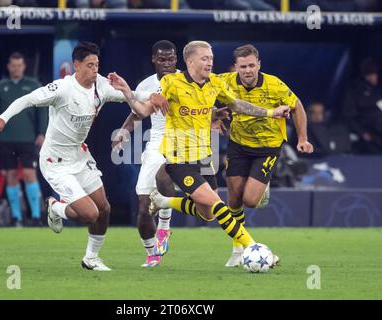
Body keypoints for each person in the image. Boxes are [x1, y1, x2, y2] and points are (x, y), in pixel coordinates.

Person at [0, 42, 168, 271]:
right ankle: (55, 208)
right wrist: (3, 118)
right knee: (90, 213)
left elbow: (131, 95)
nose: (94, 70)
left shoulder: (101, 85)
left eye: (97, 65)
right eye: (90, 65)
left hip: (79, 155)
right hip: (55, 161)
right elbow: (28, 99)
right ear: (77, 65)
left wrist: (152, 95)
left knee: (105, 209)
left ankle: (91, 258)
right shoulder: (62, 88)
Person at [108, 41, 290, 264]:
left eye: (211, 58)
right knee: (219, 205)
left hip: (204, 158)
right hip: (179, 161)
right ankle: (254, 248)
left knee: (208, 214)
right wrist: (128, 92)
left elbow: (237, 105)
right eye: (205, 58)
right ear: (190, 61)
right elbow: (143, 111)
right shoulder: (171, 83)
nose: (210, 62)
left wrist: (272, 113)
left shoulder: (214, 83)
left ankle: (163, 201)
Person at [218, 44, 314, 267]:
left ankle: (263, 186)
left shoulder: (275, 85)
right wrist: (214, 116)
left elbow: (297, 106)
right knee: (233, 198)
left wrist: (302, 138)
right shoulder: (224, 81)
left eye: (252, 65)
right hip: (238, 145)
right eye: (243, 66)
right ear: (236, 67)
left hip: (267, 148)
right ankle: (237, 248)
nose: (248, 70)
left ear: (259, 64)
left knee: (249, 201)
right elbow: (203, 92)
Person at [111, 40, 177, 268]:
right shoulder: (146, 84)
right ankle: (152, 254)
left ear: (176, 60)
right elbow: (138, 114)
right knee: (143, 204)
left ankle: (165, 227)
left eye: (170, 59)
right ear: (153, 60)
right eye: (162, 59)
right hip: (157, 141)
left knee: (163, 175)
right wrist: (122, 132)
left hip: (182, 140)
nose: (167, 63)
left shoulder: (186, 80)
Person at [0, 52, 47, 226]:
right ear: (8, 66)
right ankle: (16, 218)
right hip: (6, 138)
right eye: (13, 65)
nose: (16, 68)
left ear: (24, 66)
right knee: (11, 175)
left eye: (19, 65)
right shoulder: (0, 86)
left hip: (28, 139)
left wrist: (42, 132)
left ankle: (36, 216)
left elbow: (42, 110)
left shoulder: (33, 85)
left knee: (30, 174)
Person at [342, 57, 382, 154]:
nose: (374, 77)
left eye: (375, 74)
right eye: (372, 74)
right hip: (370, 137)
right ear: (365, 76)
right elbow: (348, 116)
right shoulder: (354, 92)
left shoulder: (377, 91)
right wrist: (362, 133)